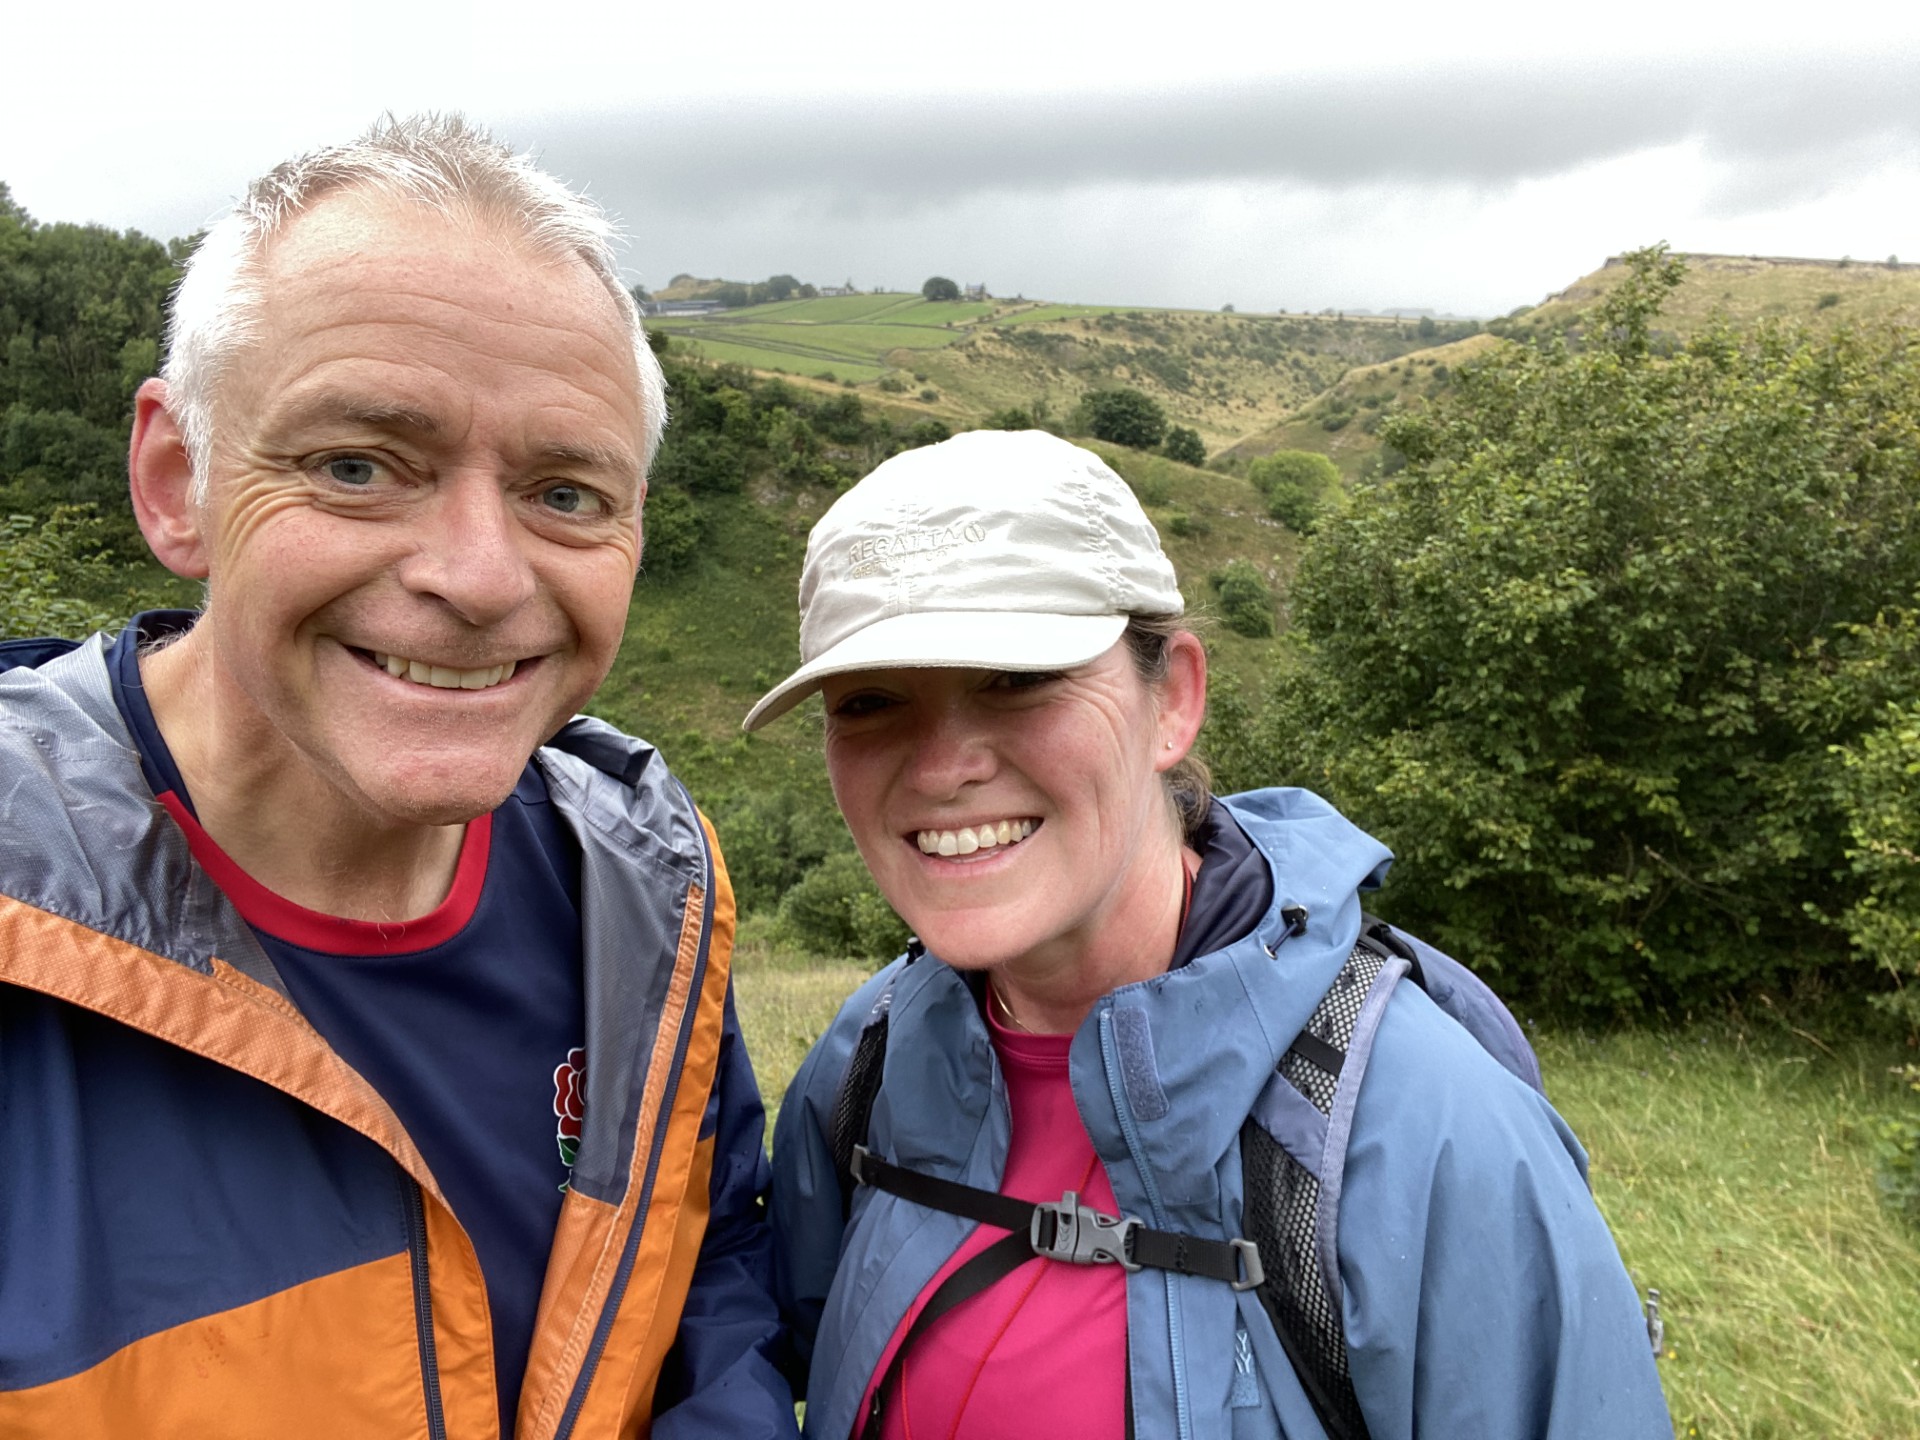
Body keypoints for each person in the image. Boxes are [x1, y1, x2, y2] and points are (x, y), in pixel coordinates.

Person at [0, 115, 795, 1440]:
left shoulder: (650, 904)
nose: (480, 577)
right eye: (358, 466)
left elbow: (712, 1319)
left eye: (568, 493)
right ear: (175, 481)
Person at [751, 430, 1671, 1439]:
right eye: (872, 702)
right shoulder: (866, 1066)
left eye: (1017, 678)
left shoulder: (1428, 1133)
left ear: (1172, 700)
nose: (939, 767)